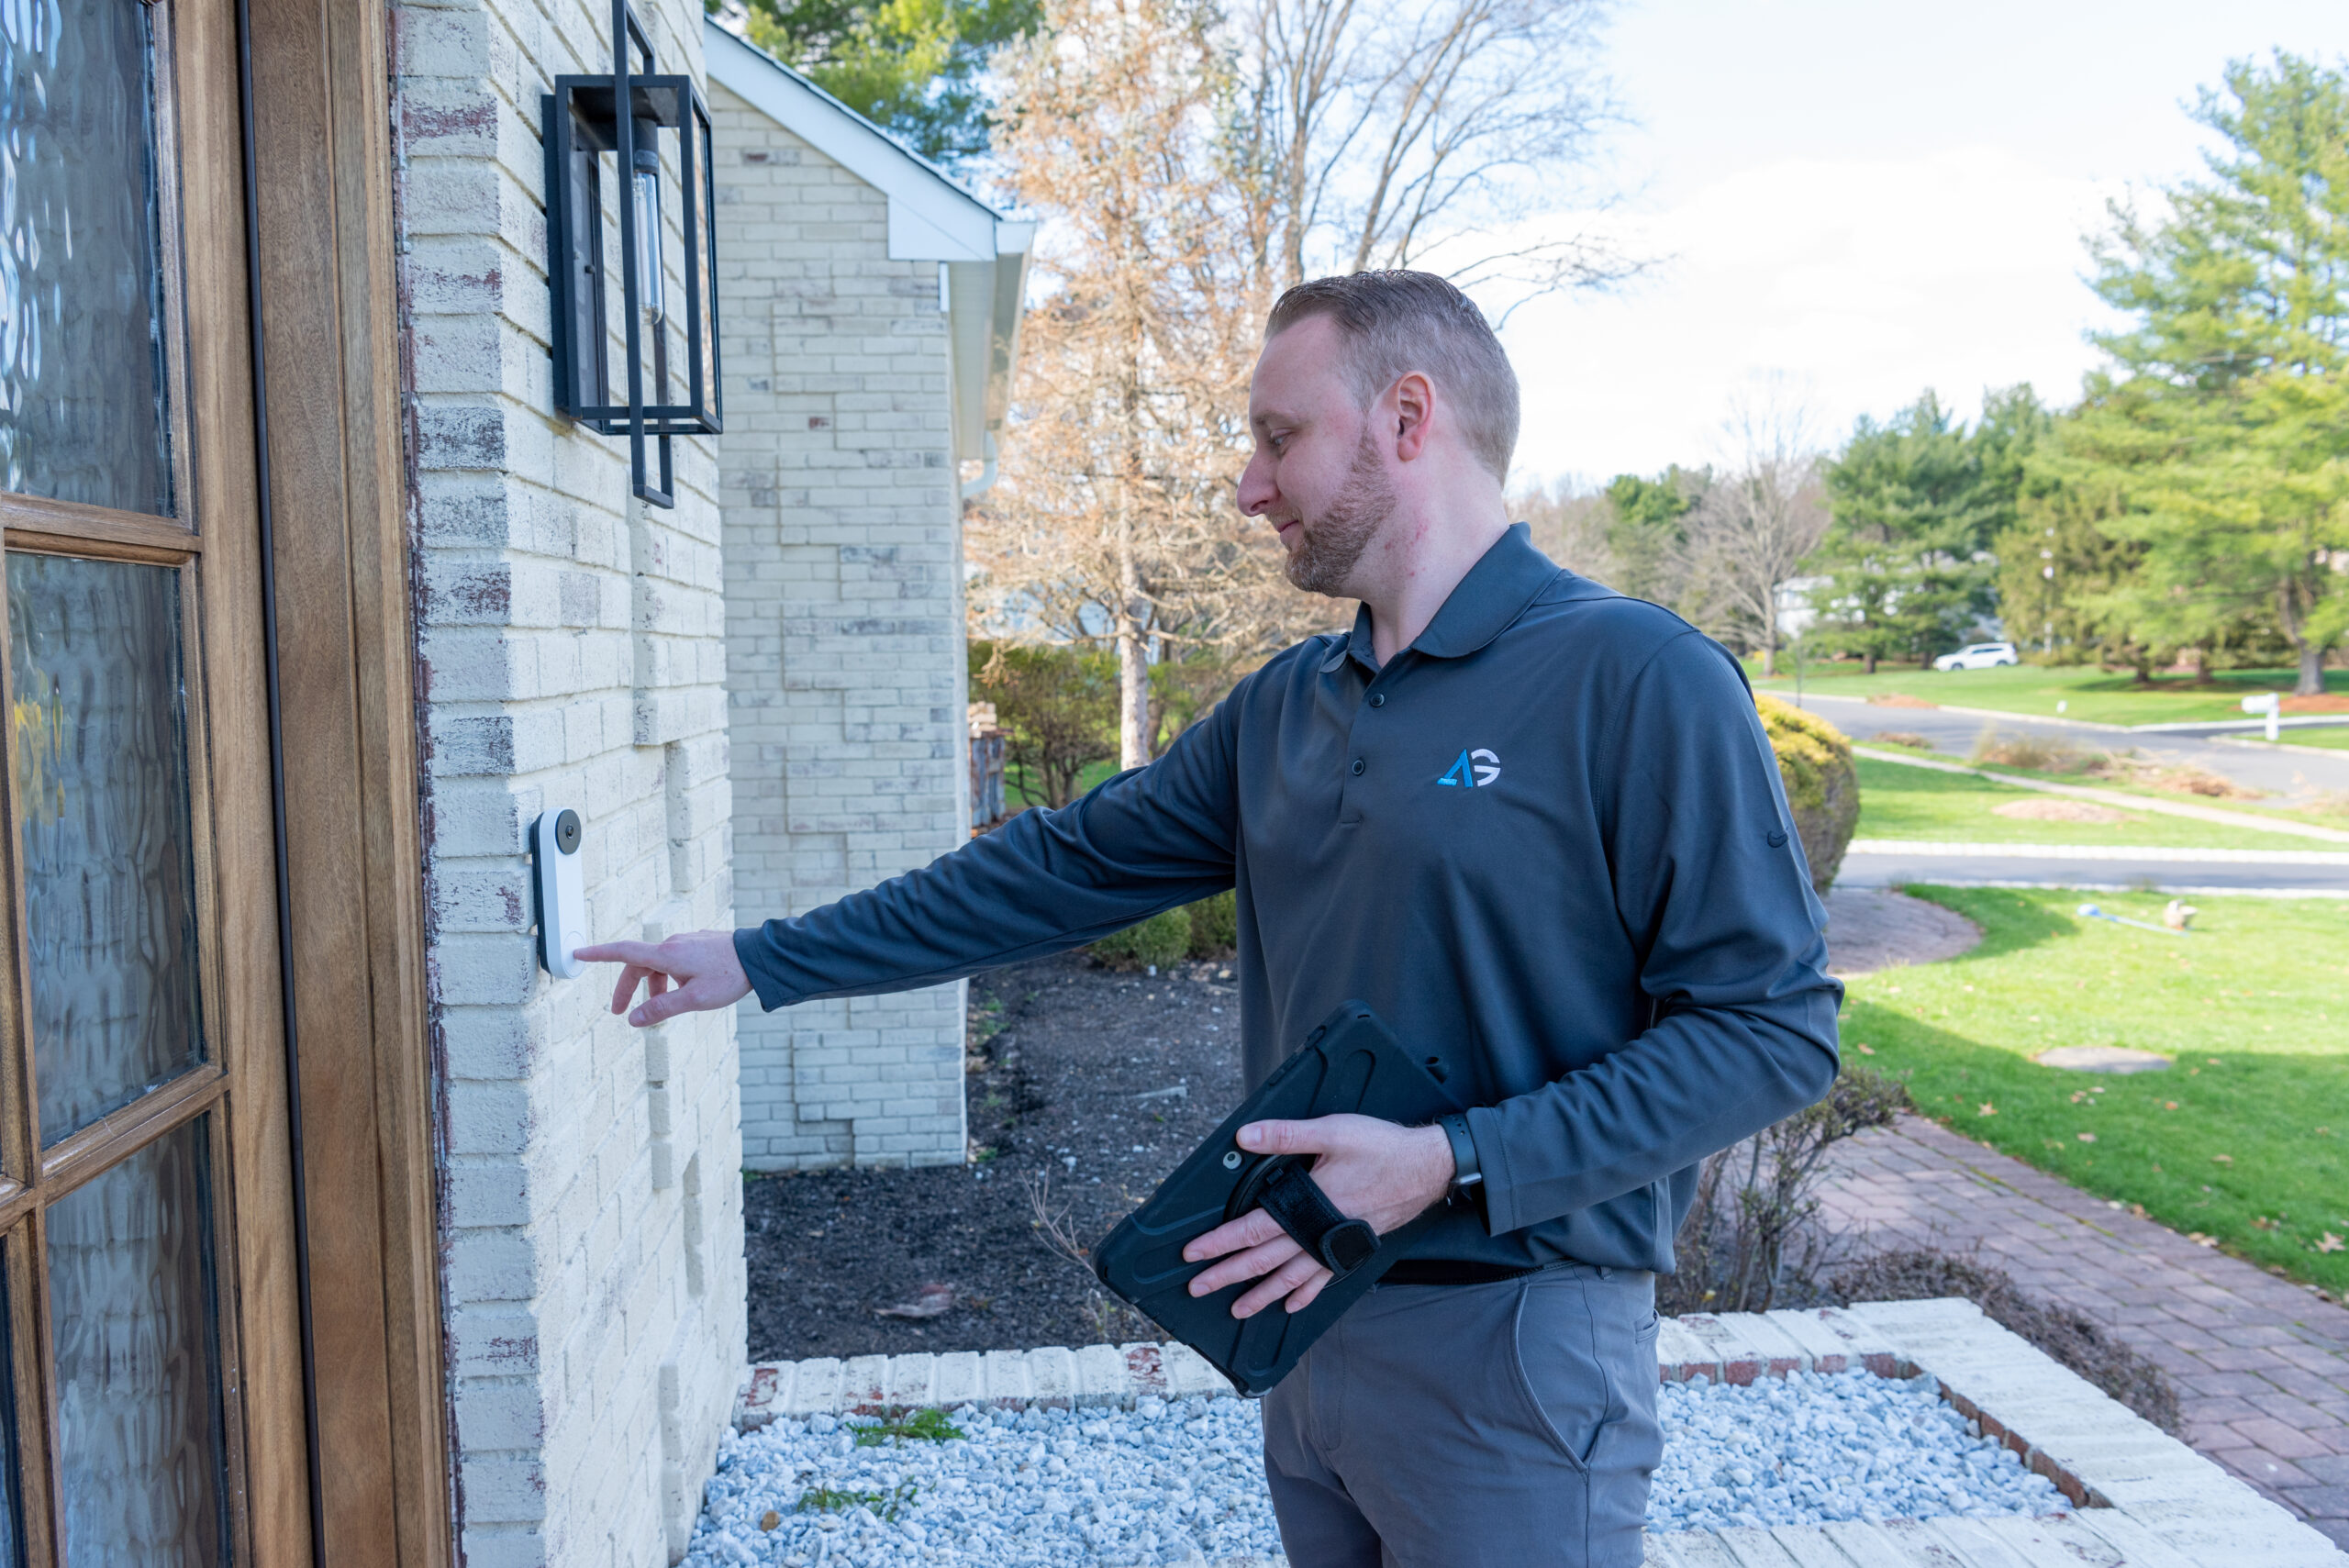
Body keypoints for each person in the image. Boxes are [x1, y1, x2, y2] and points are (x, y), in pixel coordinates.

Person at [578, 269, 1842, 1568]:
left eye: (1277, 437)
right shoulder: (1292, 705)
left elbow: (1775, 1031)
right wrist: (760, 958)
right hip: (1304, 1323)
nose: (1248, 486)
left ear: (1409, 420)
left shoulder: (1637, 677)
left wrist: (1450, 1157)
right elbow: (1043, 871)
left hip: (1513, 1353)